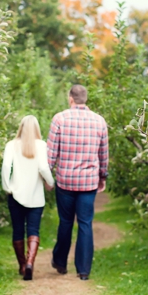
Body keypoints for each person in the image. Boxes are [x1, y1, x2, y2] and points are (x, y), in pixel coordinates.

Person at [46, 84, 109, 281]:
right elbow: (103, 154)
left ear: (70, 98)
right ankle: (83, 270)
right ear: (85, 98)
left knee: (65, 222)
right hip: (88, 182)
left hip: (65, 180)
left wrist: (48, 175)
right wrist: (103, 176)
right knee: (85, 223)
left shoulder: (60, 119)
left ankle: (60, 262)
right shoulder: (99, 121)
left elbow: (51, 154)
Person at [1, 115, 54, 281]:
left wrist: (6, 186)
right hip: (36, 196)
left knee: (18, 230)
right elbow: (44, 168)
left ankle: (22, 265)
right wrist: (50, 182)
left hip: (15, 194)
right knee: (33, 230)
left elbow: (5, 166)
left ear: (21, 127)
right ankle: (30, 262)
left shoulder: (11, 145)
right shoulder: (41, 145)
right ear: (36, 128)